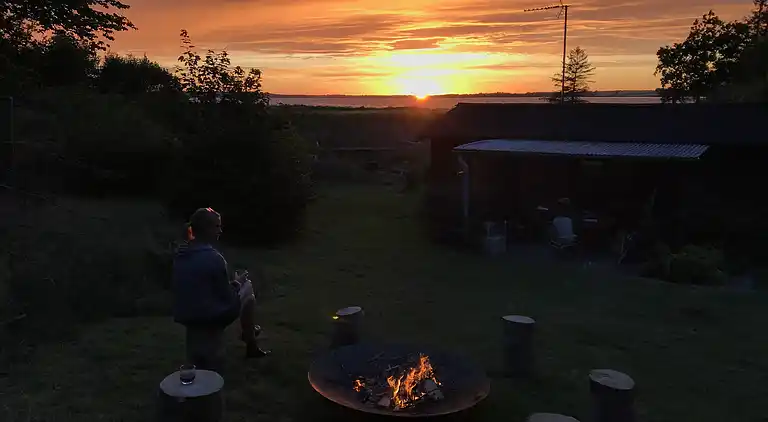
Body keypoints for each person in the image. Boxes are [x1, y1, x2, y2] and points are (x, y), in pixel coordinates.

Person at [172, 207, 269, 371]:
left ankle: (250, 334)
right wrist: (238, 283)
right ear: (207, 229)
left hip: (186, 313)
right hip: (212, 315)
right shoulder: (214, 258)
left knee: (242, 289)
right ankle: (250, 340)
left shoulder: (180, 255)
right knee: (248, 288)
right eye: (217, 226)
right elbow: (225, 297)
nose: (220, 231)